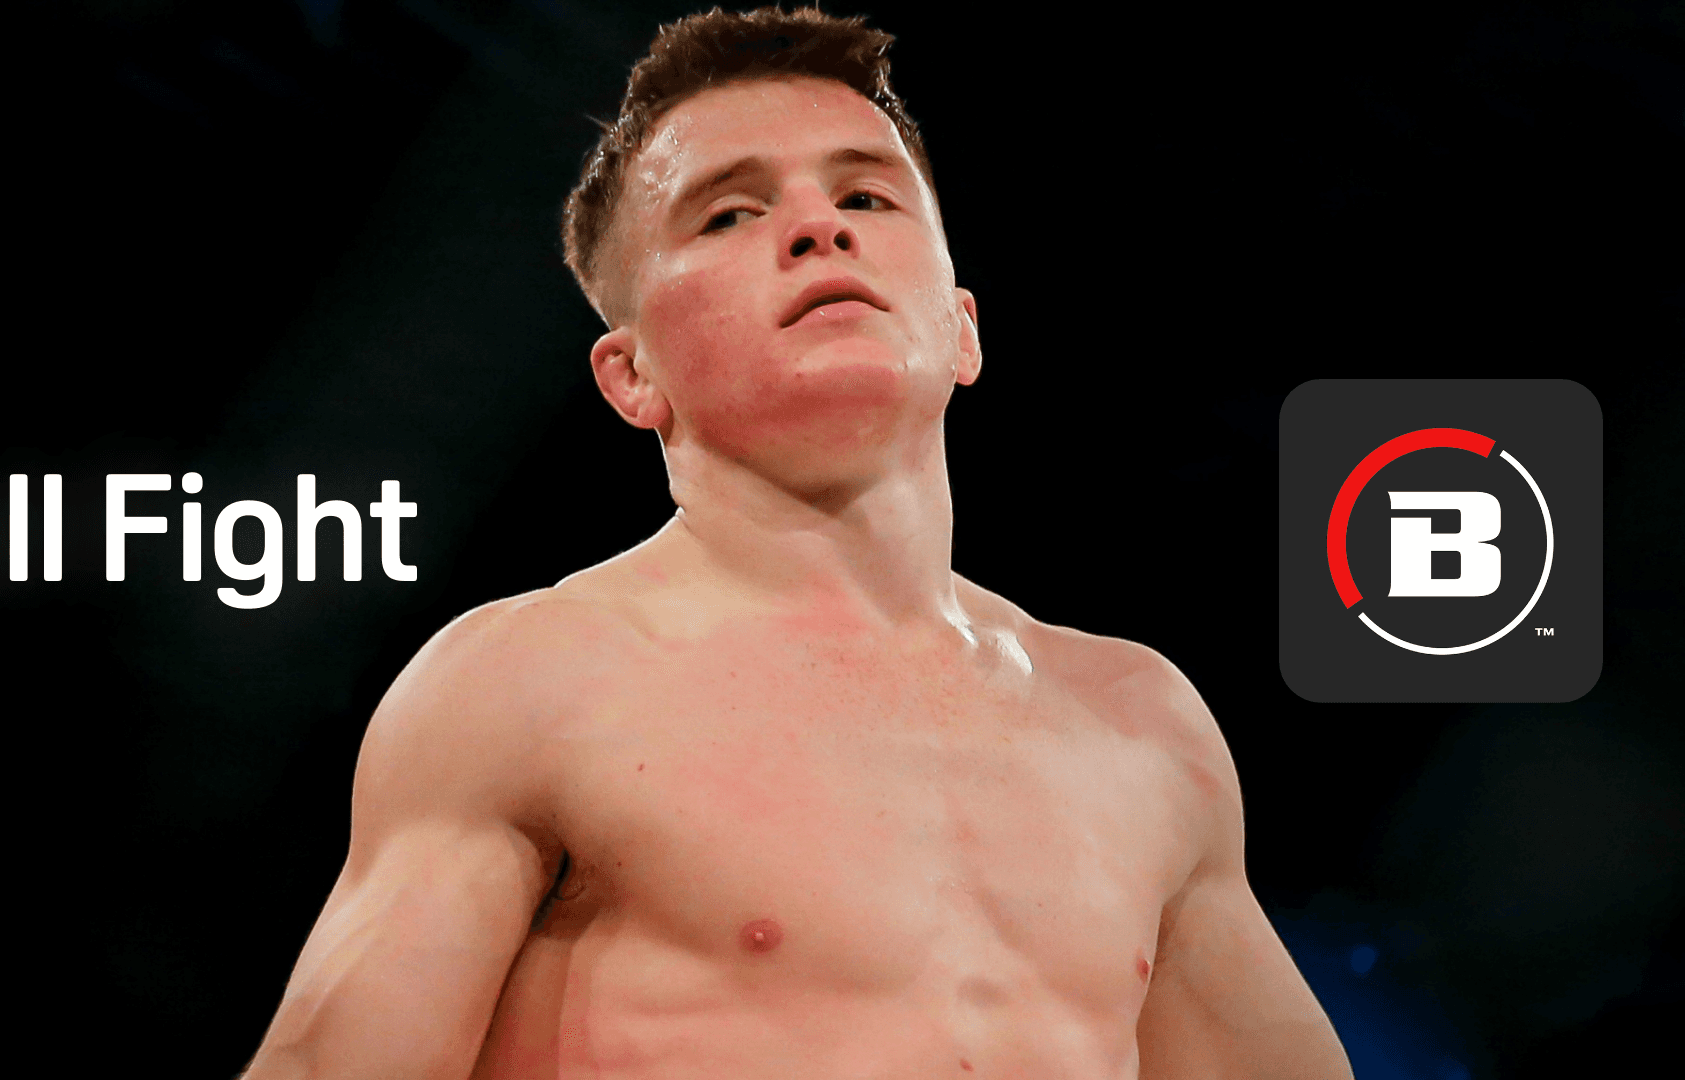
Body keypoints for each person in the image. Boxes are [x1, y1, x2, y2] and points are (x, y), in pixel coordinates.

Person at [241, 7, 1352, 1078]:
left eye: (866, 195)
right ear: (631, 375)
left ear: (962, 328)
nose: (823, 228)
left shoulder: (1143, 725)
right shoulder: (527, 684)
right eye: (729, 214)